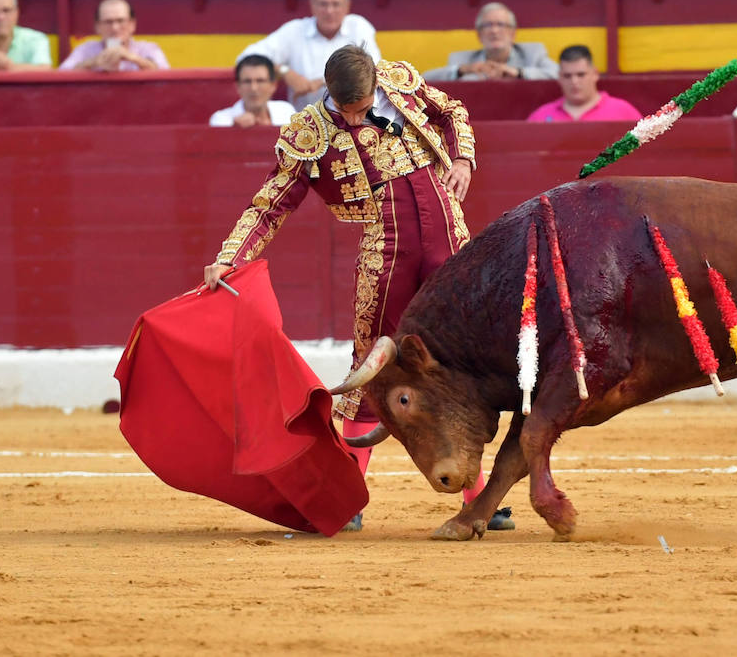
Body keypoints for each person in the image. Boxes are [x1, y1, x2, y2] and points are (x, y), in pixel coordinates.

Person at [203, 46, 512, 534]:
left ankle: (480, 503)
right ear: (328, 91)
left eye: (363, 107)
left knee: (458, 366)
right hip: (386, 251)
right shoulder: (309, 132)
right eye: (346, 110)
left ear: (375, 85)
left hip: (449, 237)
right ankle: (347, 499)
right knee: (370, 367)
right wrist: (231, 257)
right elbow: (270, 203)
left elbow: (452, 110)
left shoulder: (399, 80)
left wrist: (463, 159)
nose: (355, 118)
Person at [236, 0, 383, 109]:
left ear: (347, 6)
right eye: (323, 4)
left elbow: (374, 72)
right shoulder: (295, 30)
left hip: (352, 120)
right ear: (312, 5)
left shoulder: (358, 27)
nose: (329, 11)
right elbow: (246, 56)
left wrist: (321, 83)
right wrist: (285, 71)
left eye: (336, 4)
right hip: (304, 122)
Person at [424, 3, 558, 80]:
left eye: (501, 25)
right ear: (479, 34)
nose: (494, 31)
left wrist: (518, 72)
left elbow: (559, 74)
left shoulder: (532, 53)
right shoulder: (462, 59)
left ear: (513, 33)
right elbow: (425, 80)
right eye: (488, 25)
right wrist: (462, 70)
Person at [526, 44, 640, 120]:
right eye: (567, 76)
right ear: (559, 78)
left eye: (581, 75)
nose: (574, 81)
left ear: (595, 74)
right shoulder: (540, 116)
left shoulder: (623, 112)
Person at [60, 0, 170, 72]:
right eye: (108, 22)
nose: (115, 28)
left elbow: (167, 76)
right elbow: (61, 76)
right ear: (97, 26)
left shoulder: (148, 49)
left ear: (132, 24)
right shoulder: (85, 50)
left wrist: (134, 59)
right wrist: (93, 62)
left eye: (121, 21)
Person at [209, 55, 298, 127]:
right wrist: (234, 129)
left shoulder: (286, 112)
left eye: (260, 81)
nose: (253, 88)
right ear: (238, 86)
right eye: (247, 81)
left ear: (273, 85)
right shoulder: (222, 120)